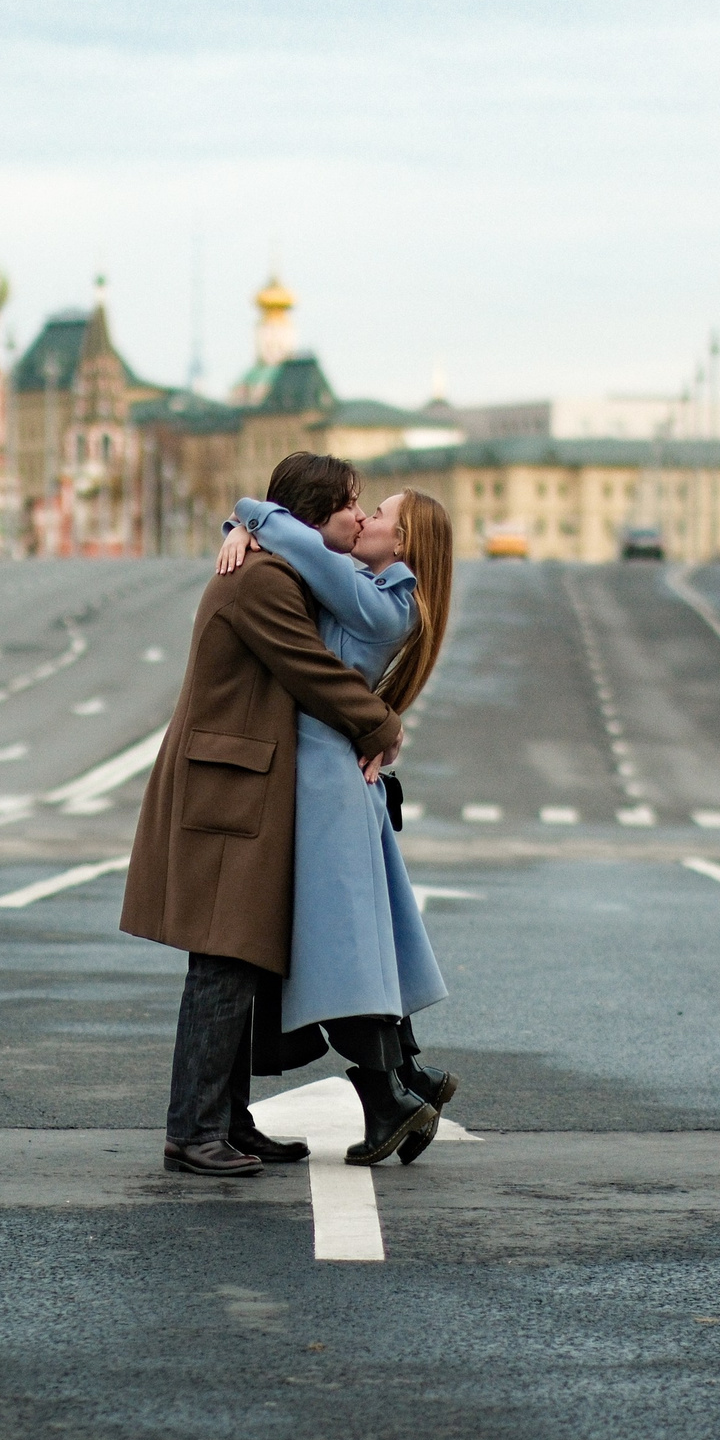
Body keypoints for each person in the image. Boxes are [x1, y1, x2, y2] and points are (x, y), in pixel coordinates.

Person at [122, 453, 407, 1178]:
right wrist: (381, 725)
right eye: (351, 504)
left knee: (239, 961)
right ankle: (192, 1129)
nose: (359, 515)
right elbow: (308, 667)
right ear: (317, 513)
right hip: (226, 789)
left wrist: (246, 521)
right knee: (221, 963)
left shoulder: (276, 564)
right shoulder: (266, 581)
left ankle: (229, 1121)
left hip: (241, 786)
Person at [217, 482, 460, 1165]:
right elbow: (295, 548)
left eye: (379, 513)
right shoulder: (380, 593)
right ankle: (404, 1082)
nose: (365, 518)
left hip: (324, 787)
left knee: (339, 957)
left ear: (403, 541)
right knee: (360, 948)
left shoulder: (375, 600)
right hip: (333, 783)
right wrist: (243, 531)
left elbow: (295, 539)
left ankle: (390, 1098)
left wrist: (247, 512)